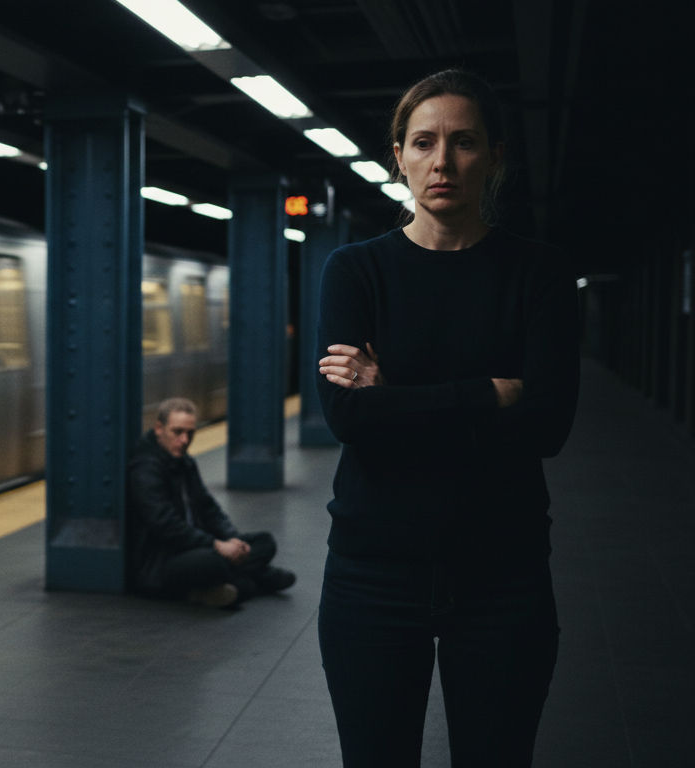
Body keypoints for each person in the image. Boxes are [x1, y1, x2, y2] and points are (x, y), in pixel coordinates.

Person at [315, 68, 579, 767]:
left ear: (495, 155)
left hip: (504, 574)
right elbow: (347, 415)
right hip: (372, 577)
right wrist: (487, 394)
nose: (443, 160)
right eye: (424, 141)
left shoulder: (541, 274)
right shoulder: (354, 271)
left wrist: (393, 395)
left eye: (463, 142)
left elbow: (548, 428)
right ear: (397, 155)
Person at [126, 398, 296, 608]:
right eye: (177, 432)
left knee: (264, 542)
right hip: (161, 562)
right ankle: (258, 580)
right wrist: (216, 545)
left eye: (190, 433)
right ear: (159, 429)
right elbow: (166, 525)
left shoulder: (185, 462)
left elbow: (209, 508)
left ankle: (223, 586)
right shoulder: (145, 468)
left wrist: (232, 539)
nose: (184, 440)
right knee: (213, 562)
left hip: (195, 546)